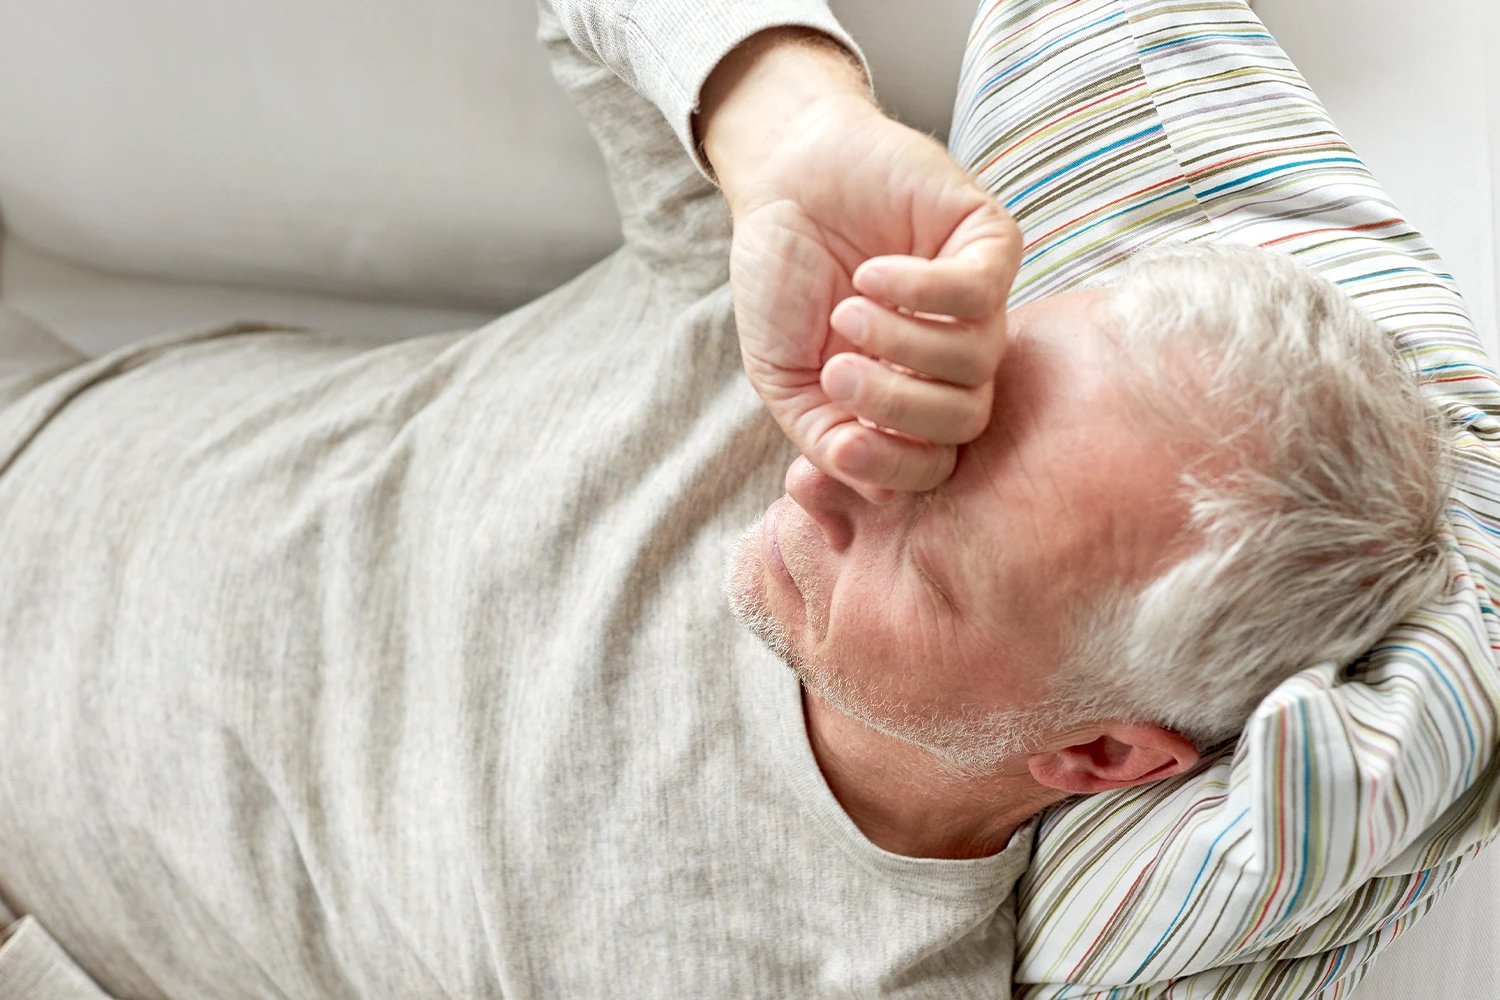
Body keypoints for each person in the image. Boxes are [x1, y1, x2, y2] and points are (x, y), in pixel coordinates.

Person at [0, 1, 1472, 998]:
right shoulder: (796, 352)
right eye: (938, 433)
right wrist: (796, 136)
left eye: (937, 562)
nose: (836, 470)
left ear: (1095, 752)